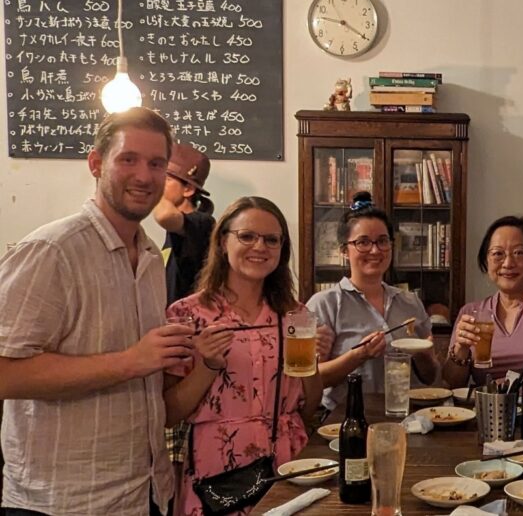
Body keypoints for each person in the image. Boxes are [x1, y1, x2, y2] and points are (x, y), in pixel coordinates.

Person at [0, 107, 191, 515]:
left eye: (157, 164)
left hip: (146, 492)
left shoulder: (152, 257)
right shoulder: (51, 250)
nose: (144, 176)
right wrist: (131, 361)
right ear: (96, 163)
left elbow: (145, 376)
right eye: (128, 159)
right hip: (65, 502)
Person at [164, 196, 323, 516]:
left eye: (271, 239)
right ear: (223, 241)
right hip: (216, 469)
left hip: (289, 462)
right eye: (247, 236)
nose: (259, 247)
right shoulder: (186, 314)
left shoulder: (294, 314)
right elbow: (168, 412)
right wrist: (207, 365)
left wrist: (313, 362)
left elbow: (310, 404)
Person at [308, 191, 439, 411]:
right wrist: (358, 355)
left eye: (382, 241)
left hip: (409, 416)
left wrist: (425, 356)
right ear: (344, 251)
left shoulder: (410, 302)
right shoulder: (324, 304)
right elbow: (311, 381)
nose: (375, 250)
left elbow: (430, 378)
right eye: (363, 242)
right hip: (345, 418)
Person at [442, 216, 523, 387]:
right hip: (487, 409)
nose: (508, 263)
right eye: (498, 254)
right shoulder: (471, 312)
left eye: (519, 253)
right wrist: (461, 350)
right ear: (485, 261)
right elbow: (451, 383)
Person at [153, 142, 216, 492]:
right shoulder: (171, 238)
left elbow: (162, 213)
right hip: (174, 361)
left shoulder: (201, 224)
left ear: (189, 188)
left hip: (192, 363)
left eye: (162, 173)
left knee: (182, 471)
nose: (151, 180)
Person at [154, 142, 215, 306]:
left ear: (188, 189)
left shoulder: (203, 224)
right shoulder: (175, 231)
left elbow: (165, 215)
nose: (157, 182)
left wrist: (150, 188)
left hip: (192, 328)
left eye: (165, 179)